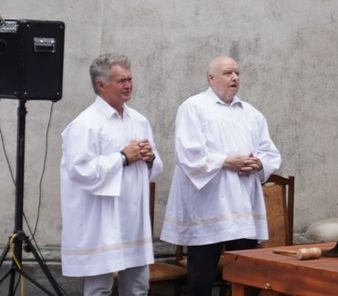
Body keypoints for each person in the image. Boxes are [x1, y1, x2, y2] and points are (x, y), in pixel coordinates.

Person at [162, 56, 281, 296]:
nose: (235, 78)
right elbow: (188, 154)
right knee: (201, 280)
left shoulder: (251, 114)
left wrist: (259, 163)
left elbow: (271, 153)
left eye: (237, 73)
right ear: (211, 78)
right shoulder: (193, 107)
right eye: (228, 73)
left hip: (243, 208)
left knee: (245, 277)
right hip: (208, 208)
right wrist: (227, 161)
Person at [60, 54, 163, 296]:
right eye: (121, 81)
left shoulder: (139, 120)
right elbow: (79, 170)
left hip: (133, 217)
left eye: (130, 79)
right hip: (102, 218)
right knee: (99, 288)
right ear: (101, 85)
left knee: (138, 286)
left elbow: (155, 167)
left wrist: (149, 158)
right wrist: (123, 157)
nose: (128, 85)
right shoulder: (85, 124)